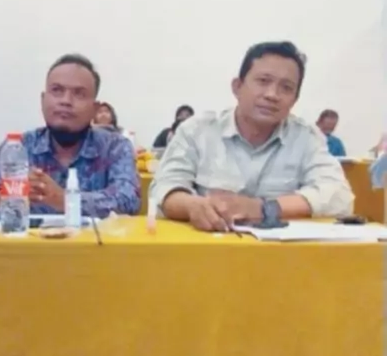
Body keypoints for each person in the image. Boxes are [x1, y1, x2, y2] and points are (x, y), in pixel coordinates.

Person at [151, 41, 354, 232]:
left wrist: (264, 208)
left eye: (286, 88)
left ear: (294, 100)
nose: (272, 95)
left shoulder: (306, 138)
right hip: (207, 248)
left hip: (282, 253)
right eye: (263, 81)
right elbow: (163, 189)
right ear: (237, 87)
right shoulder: (197, 131)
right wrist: (191, 206)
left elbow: (339, 196)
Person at [0, 54, 141, 218]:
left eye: (79, 94)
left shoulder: (115, 146)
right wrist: (9, 196)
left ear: (95, 109)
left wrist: (63, 199)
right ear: (43, 100)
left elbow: (128, 200)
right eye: (57, 90)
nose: (66, 101)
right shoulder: (19, 146)